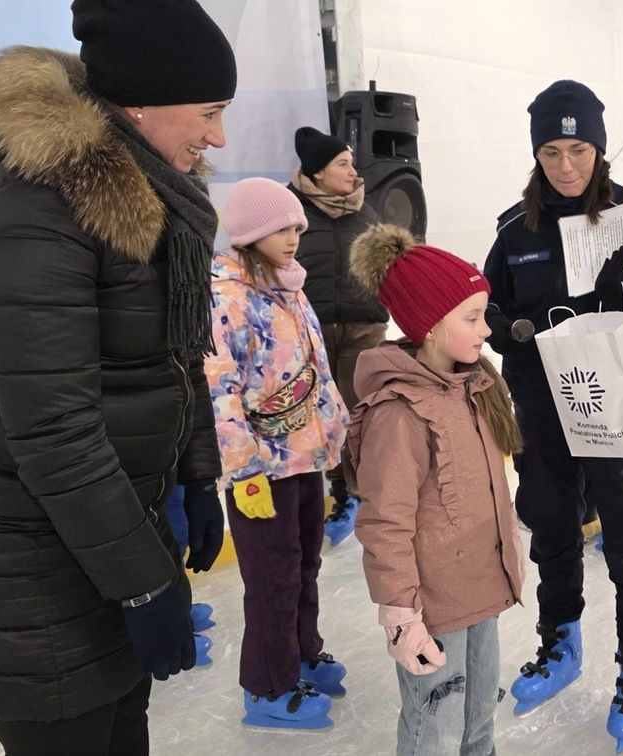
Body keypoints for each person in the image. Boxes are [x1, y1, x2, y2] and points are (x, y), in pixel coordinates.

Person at [0, 1, 235, 752]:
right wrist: (143, 584)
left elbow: (177, 355)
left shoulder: (155, 194)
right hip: (29, 568)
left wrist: (196, 474)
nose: (219, 136)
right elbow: (54, 428)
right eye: (209, 113)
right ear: (141, 102)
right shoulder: (32, 203)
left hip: (108, 540)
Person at [481, 79, 623, 751]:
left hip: (621, 408)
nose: (566, 166)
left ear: (599, 151)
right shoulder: (516, 232)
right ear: (536, 155)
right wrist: (509, 327)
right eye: (551, 151)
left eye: (578, 149)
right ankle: (561, 643)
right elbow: (488, 307)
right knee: (551, 529)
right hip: (545, 409)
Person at [347, 223, 525, 756]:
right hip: (434, 606)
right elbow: (385, 522)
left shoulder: (476, 387)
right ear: (428, 324)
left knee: (479, 724)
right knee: (437, 732)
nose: (485, 330)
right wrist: (401, 614)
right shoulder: (399, 414)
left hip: (484, 590)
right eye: (471, 318)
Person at [205, 178, 349, 729]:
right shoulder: (227, 296)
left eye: (297, 228)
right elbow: (221, 390)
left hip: (305, 455)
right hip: (262, 469)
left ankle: (302, 653)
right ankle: (266, 687)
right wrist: (242, 471)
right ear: (252, 232)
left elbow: (316, 367)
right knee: (272, 577)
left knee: (305, 565)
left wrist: (333, 430)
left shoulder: (290, 285)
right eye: (283, 228)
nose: (294, 238)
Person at [288, 126, 386, 545]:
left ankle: (369, 495)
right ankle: (342, 493)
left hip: (364, 324)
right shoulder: (288, 209)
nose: (353, 173)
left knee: (364, 412)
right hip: (310, 327)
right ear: (318, 172)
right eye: (342, 165)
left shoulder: (368, 210)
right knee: (326, 417)